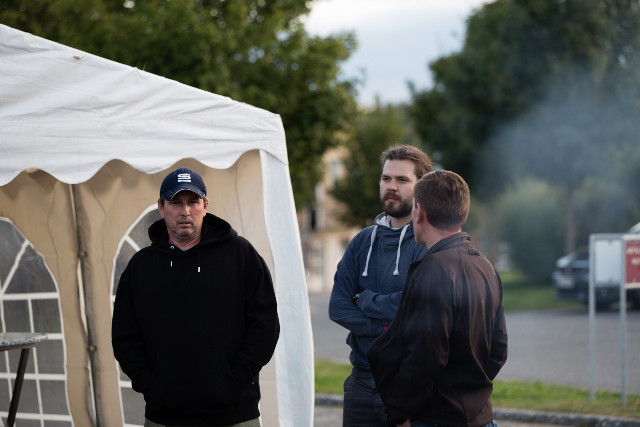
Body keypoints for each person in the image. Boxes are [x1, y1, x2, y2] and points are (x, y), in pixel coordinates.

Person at [112, 167, 280, 427]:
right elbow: (125, 336)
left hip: (235, 413)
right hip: (164, 415)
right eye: (176, 203)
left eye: (193, 202)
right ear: (161, 207)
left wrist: (234, 381)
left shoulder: (241, 255)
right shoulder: (140, 267)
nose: (185, 211)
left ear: (205, 206)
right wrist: (151, 385)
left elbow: (265, 325)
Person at [367, 170, 508, 427]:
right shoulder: (485, 266)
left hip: (435, 420)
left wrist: (400, 413)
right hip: (482, 419)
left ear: (419, 212)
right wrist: (468, 392)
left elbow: (424, 357)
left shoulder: (431, 271)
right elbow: (498, 350)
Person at [329, 145, 433, 427]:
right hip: (361, 381)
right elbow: (337, 306)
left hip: (408, 384)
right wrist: (384, 329)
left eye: (402, 180)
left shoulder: (427, 242)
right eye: (386, 178)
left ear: (421, 187)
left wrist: (363, 299)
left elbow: (414, 306)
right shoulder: (361, 241)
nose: (391, 186)